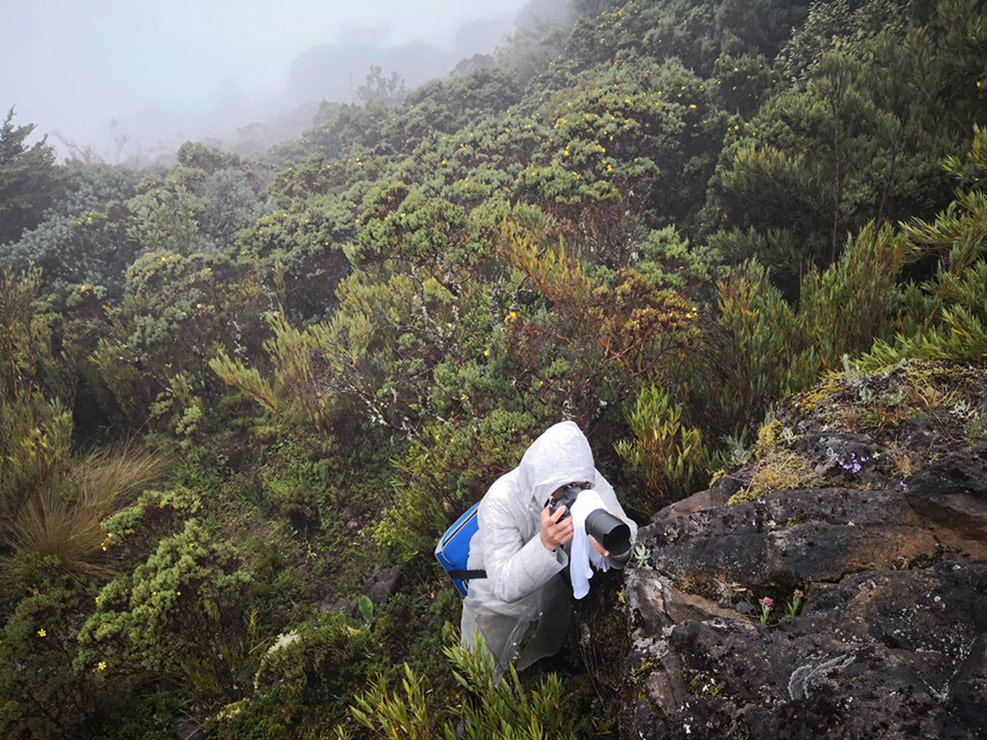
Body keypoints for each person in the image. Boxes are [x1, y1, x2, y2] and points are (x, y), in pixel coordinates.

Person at [460, 420, 638, 674]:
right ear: (542, 482)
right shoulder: (501, 500)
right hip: (492, 590)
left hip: (551, 577)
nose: (576, 494)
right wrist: (545, 544)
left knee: (550, 623)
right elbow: (503, 586)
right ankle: (478, 697)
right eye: (564, 489)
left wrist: (615, 546)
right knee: (483, 658)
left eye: (581, 486)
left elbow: (625, 530)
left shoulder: (588, 478)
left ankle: (541, 661)